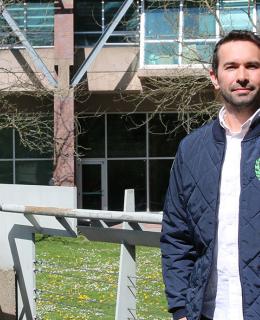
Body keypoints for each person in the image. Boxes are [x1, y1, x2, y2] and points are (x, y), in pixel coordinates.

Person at [160, 30, 260, 320]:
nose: (242, 76)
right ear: (215, 77)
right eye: (231, 67)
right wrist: (180, 309)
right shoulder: (191, 149)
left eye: (252, 66)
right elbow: (177, 236)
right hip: (207, 313)